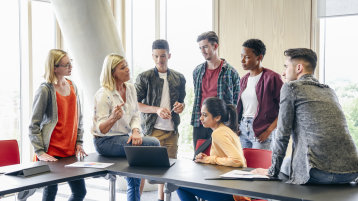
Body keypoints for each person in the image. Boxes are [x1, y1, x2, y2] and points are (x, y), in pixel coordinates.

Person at [252, 48, 358, 184]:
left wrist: (272, 171)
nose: (283, 73)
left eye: (286, 66)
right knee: (289, 161)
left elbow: (282, 134)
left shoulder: (291, 87)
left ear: (299, 68)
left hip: (318, 171)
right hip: (351, 171)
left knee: (275, 178)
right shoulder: (329, 91)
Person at [92, 53, 160, 201]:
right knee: (153, 143)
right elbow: (100, 129)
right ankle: (152, 176)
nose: (128, 69)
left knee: (135, 177)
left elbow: (136, 115)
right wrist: (112, 118)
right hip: (105, 141)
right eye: (123, 68)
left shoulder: (130, 88)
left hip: (124, 137)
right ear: (112, 73)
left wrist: (136, 131)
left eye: (127, 65)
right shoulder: (103, 94)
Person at [29, 49, 87, 201]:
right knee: (50, 195)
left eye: (70, 63)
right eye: (66, 64)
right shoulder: (45, 90)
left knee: (80, 192)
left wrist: (79, 142)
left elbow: (78, 118)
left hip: (70, 152)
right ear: (54, 68)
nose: (70, 67)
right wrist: (40, 152)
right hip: (52, 152)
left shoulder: (73, 86)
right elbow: (33, 125)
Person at [135, 39, 186, 201]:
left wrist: (180, 106)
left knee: (168, 170)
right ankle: (136, 198)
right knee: (144, 170)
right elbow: (135, 104)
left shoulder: (179, 78)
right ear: (152, 56)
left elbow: (181, 101)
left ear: (169, 55)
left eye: (163, 56)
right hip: (151, 130)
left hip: (172, 131)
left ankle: (161, 199)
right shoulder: (144, 77)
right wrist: (156, 110)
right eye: (156, 56)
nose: (159, 60)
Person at [177, 97, 246, 201]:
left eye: (205, 115)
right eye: (201, 114)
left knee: (179, 184)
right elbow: (226, 158)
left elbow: (238, 161)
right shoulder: (225, 130)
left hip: (232, 193)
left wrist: (211, 159)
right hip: (234, 187)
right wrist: (207, 158)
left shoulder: (218, 133)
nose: (201, 118)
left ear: (217, 117)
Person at [191, 31, 240, 150]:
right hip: (200, 123)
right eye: (200, 48)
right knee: (199, 158)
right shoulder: (197, 71)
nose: (203, 51)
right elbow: (197, 97)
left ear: (215, 46)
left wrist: (232, 125)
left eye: (206, 47)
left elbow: (235, 101)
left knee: (221, 160)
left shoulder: (231, 72)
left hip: (221, 124)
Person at [237, 39, 283, 150]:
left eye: (247, 57)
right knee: (244, 166)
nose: (242, 60)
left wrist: (268, 131)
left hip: (262, 129)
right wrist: (237, 126)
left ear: (259, 57)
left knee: (260, 166)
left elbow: (284, 109)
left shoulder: (272, 78)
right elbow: (241, 108)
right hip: (243, 129)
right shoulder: (243, 80)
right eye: (241, 56)